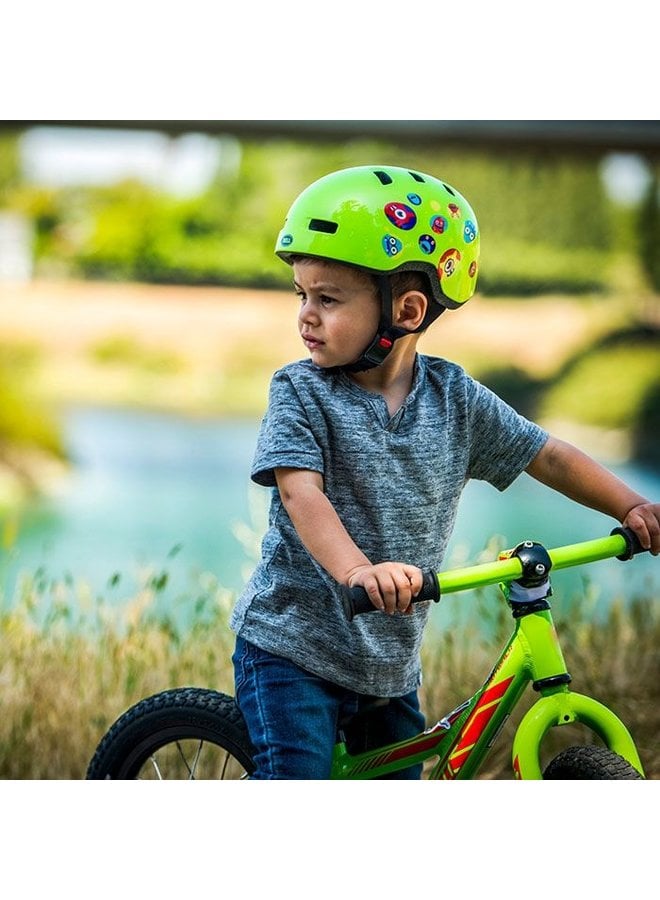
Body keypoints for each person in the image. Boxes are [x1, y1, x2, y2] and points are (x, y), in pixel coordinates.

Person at [229, 164, 659, 780]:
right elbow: (302, 495)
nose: (306, 315)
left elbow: (548, 454)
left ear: (405, 309)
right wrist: (359, 571)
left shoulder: (455, 398)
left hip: (388, 666)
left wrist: (630, 506)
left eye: (328, 299)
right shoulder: (300, 392)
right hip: (293, 652)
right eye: (302, 295)